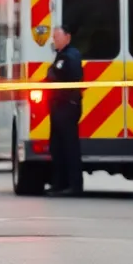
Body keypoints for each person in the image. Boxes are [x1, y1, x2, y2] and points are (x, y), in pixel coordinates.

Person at [47, 24, 84, 197]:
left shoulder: (71, 55)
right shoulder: (61, 55)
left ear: (67, 37)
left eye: (57, 37)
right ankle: (60, 183)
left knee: (69, 147)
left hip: (67, 106)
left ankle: (74, 185)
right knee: (57, 146)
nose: (54, 40)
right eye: (54, 37)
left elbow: (69, 77)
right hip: (58, 106)